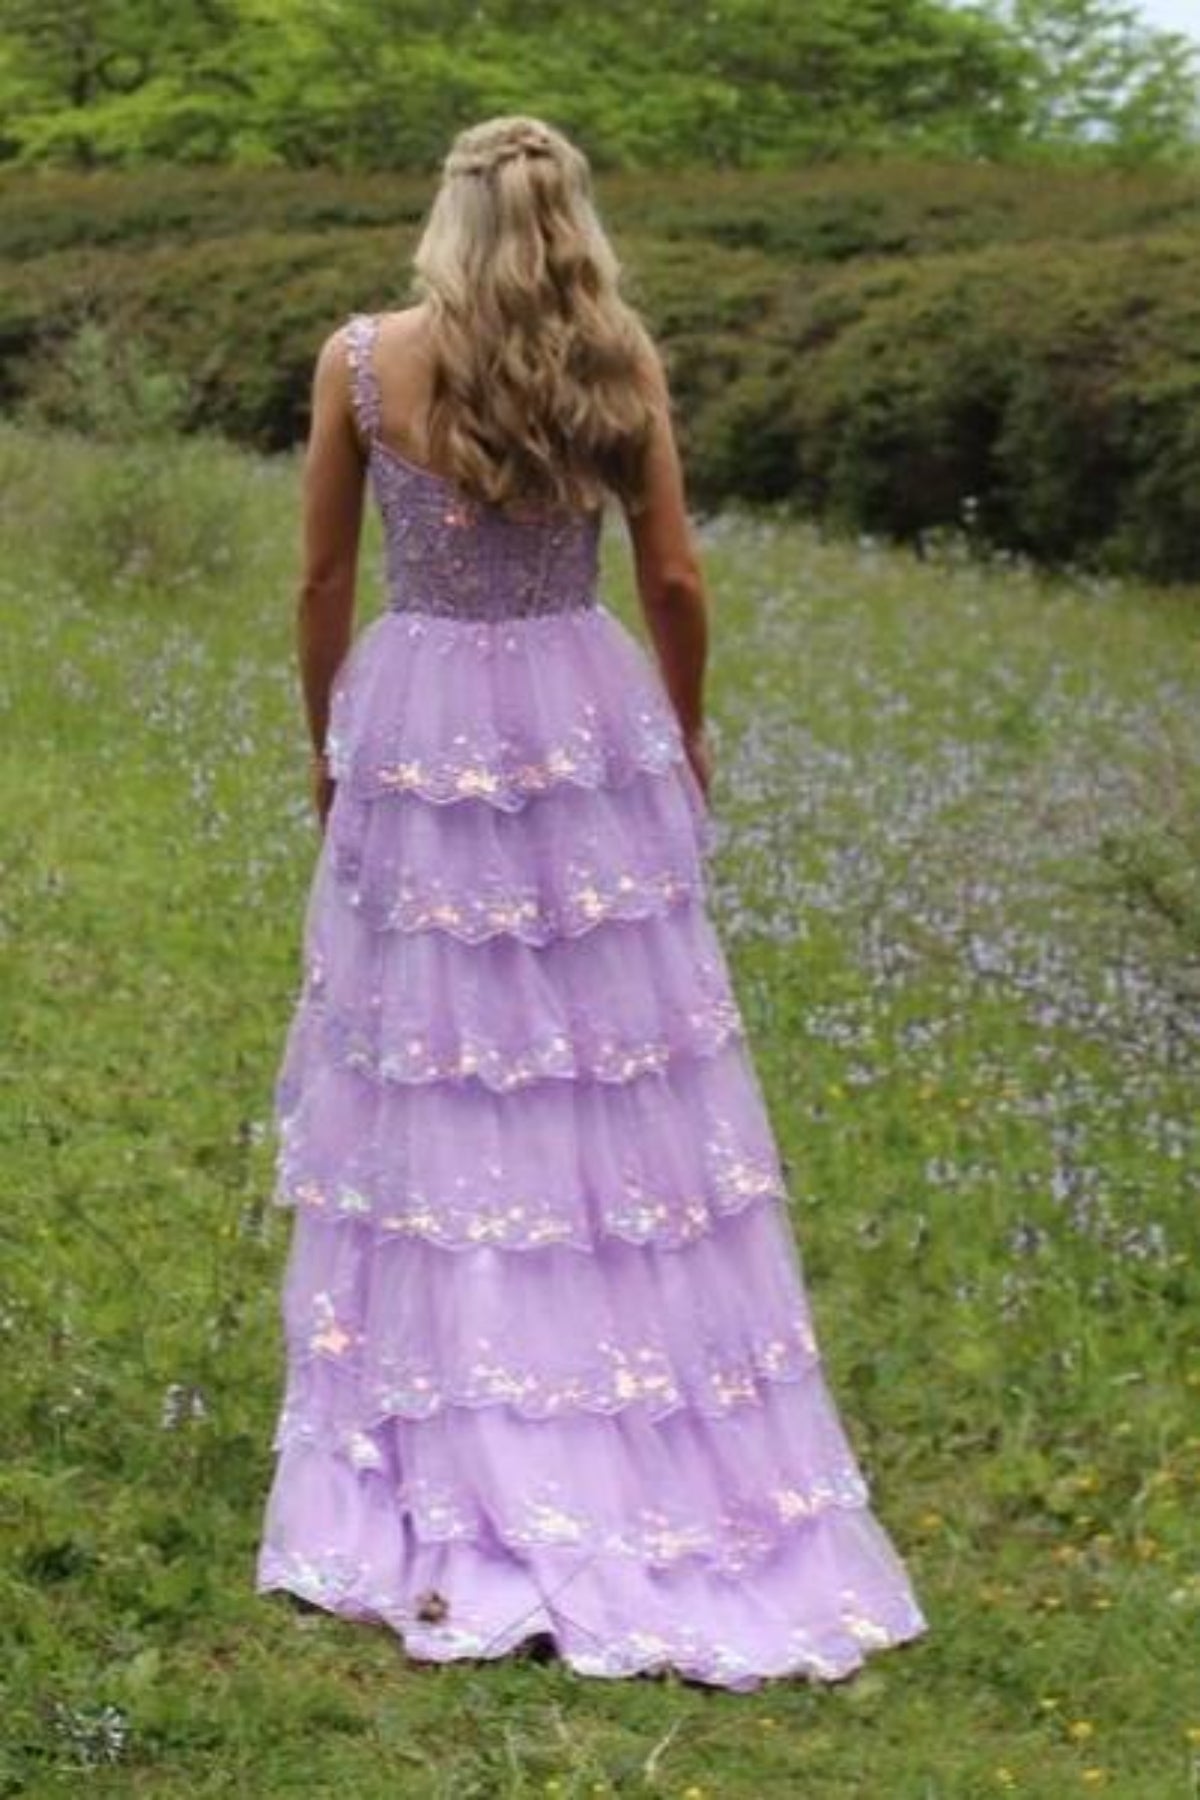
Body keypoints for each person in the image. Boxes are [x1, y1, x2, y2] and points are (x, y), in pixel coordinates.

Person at [255, 113, 929, 1691]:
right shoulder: (615, 362)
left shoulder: (361, 361)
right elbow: (674, 578)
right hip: (580, 719)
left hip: (421, 719)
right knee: (611, 1064)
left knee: (439, 1057)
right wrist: (683, 734)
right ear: (571, 220)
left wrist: (327, 742)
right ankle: (617, 1388)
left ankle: (462, 1398)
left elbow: (321, 580)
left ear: (451, 212)